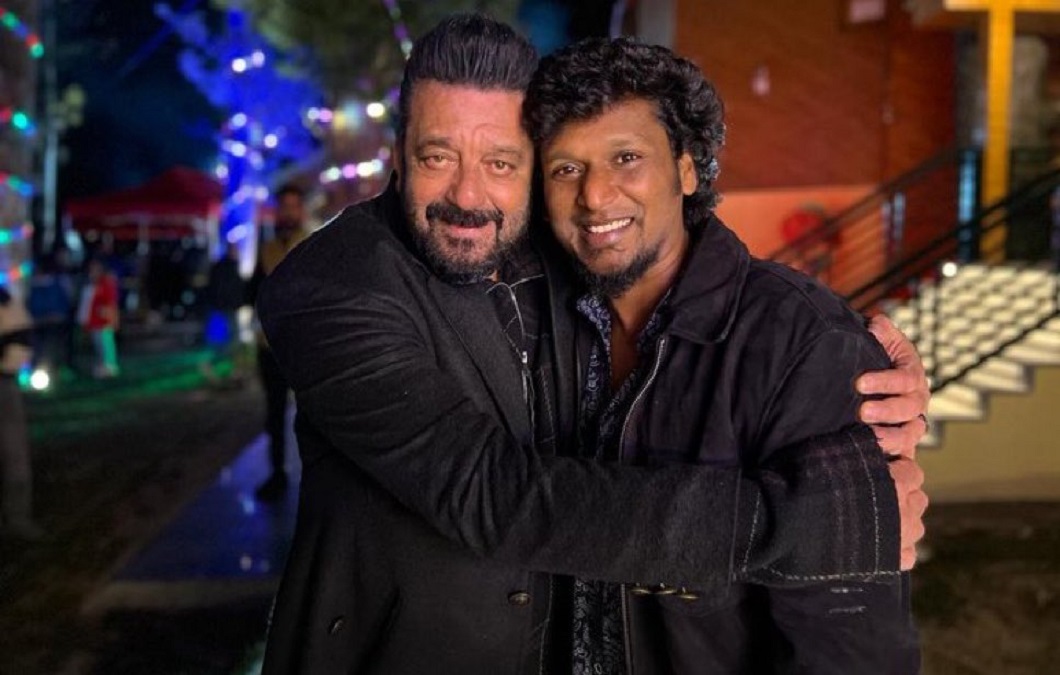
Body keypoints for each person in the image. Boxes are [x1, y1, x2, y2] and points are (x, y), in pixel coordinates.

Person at [256, 14, 928, 674]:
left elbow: (852, 646)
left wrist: (846, 356)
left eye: (501, 162)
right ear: (398, 155)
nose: (468, 193)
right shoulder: (330, 286)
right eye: (437, 156)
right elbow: (488, 490)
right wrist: (811, 524)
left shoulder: (780, 335)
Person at [525, 36, 923, 673]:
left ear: (687, 170)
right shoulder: (536, 319)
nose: (595, 195)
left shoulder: (803, 343)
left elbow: (848, 645)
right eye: (566, 169)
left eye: (626, 158)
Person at [249, 184, 309, 501]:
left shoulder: (314, 244)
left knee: (312, 417)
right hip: (270, 345)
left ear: (301, 210)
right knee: (274, 414)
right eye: (283, 206)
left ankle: (315, 480)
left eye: (293, 206)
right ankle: (277, 473)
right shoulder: (267, 249)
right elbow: (253, 290)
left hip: (304, 347)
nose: (288, 212)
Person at [0, 286, 45, 540]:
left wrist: (7, 365)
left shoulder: (5, 301)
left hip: (3, 384)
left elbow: (21, 337)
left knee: (13, 451)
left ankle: (17, 518)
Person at [201, 242, 246, 386]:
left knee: (231, 341)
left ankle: (232, 371)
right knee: (233, 342)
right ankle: (219, 367)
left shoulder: (223, 267)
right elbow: (230, 289)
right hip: (227, 309)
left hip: (225, 309)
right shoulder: (228, 267)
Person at [77, 257, 120, 379]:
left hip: (104, 321)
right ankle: (102, 366)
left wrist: (113, 318)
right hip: (94, 321)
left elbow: (111, 302)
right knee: (98, 345)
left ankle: (109, 367)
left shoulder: (106, 283)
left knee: (106, 345)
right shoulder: (90, 284)